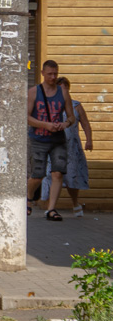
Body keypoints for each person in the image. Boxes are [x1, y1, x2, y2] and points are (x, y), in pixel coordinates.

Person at [26, 60, 71, 221]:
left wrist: (64, 124)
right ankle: (29, 198)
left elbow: (71, 117)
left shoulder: (63, 92)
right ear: (43, 73)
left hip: (58, 139)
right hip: (39, 139)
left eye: (55, 74)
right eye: (50, 74)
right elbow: (27, 117)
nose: (53, 77)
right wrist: (46, 125)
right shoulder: (34, 92)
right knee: (38, 175)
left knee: (58, 173)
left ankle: (51, 209)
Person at [56, 76, 95, 217]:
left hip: (72, 146)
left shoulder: (76, 105)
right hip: (55, 146)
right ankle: (51, 206)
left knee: (72, 176)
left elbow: (85, 123)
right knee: (54, 175)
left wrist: (89, 140)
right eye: (60, 88)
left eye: (65, 87)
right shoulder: (53, 105)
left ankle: (75, 203)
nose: (63, 90)